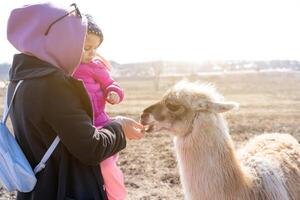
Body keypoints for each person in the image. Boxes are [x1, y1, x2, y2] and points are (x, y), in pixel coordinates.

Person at [6, 3, 144, 200]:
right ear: (57, 40)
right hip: (65, 190)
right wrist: (119, 127)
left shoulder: (20, 79)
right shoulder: (53, 85)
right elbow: (92, 148)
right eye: (76, 40)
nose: (78, 47)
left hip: (37, 191)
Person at [73, 14, 127, 200]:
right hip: (80, 126)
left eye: (95, 48)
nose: (92, 52)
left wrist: (113, 93)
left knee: (107, 167)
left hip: (101, 124)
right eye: (86, 48)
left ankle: (118, 197)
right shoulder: (63, 68)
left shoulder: (96, 66)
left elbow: (111, 83)